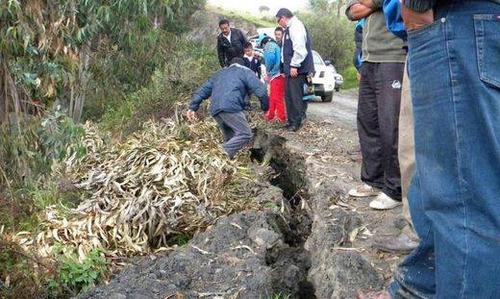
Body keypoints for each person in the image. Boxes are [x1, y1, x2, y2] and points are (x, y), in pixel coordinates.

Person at [346, 0, 406, 210]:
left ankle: (395, 188)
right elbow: (351, 11)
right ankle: (373, 180)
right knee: (368, 122)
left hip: (394, 56)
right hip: (368, 59)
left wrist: (372, 4)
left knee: (391, 125)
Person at [187, 57, 269, 159]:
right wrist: (266, 108)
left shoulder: (219, 74)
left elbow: (202, 91)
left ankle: (225, 167)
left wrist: (192, 107)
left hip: (216, 110)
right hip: (231, 107)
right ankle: (217, 156)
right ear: (243, 65)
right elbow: (261, 91)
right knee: (245, 133)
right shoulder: (245, 71)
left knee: (231, 138)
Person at [276, 8, 314, 132]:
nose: (279, 24)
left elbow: (300, 49)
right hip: (289, 68)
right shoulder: (289, 28)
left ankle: (296, 123)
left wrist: (294, 65)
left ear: (283, 17)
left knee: (295, 96)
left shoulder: (296, 27)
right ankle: (291, 121)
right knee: (289, 96)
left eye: (278, 21)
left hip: (296, 69)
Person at [259, 35, 287, 123]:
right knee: (273, 97)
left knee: (277, 97)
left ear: (264, 43)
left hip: (276, 75)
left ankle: (282, 117)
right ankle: (271, 115)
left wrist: (269, 70)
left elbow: (270, 58)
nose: (264, 49)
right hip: (279, 75)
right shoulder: (276, 46)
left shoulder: (269, 46)